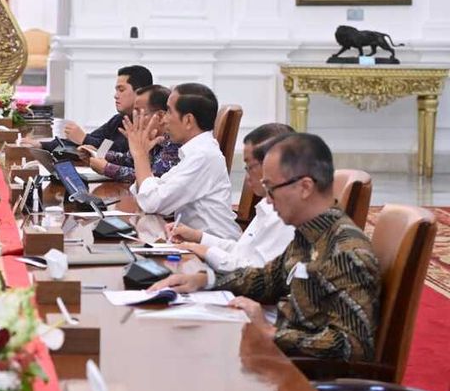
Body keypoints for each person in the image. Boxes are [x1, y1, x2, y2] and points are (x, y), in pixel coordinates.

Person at [153, 133, 381, 362]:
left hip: (311, 383)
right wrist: (204, 281)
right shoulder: (310, 233)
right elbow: (266, 279)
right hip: (282, 360)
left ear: (304, 187)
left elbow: (353, 346)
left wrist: (272, 333)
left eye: (271, 189)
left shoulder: (345, 251)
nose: (268, 200)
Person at [168, 123, 295, 271]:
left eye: (251, 167)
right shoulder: (268, 205)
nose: (247, 177)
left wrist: (207, 252)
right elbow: (242, 251)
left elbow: (255, 273)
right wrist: (197, 237)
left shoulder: (283, 214)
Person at [124, 83, 241, 240]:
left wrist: (140, 155)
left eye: (169, 112)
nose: (164, 119)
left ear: (188, 120)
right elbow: (148, 190)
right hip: (193, 243)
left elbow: (152, 202)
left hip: (214, 251)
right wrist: (144, 155)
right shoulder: (194, 152)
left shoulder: (203, 156)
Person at [20, 65, 153, 154]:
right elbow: (91, 141)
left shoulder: (147, 125)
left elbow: (120, 153)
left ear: (139, 92)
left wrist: (84, 139)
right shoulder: (119, 120)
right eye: (116, 90)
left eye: (121, 89)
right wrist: (41, 146)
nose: (115, 95)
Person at [81, 84, 180, 183]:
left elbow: (152, 179)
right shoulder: (149, 137)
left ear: (161, 116)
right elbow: (127, 159)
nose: (134, 119)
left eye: (139, 113)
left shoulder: (175, 142)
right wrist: (96, 153)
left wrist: (107, 169)